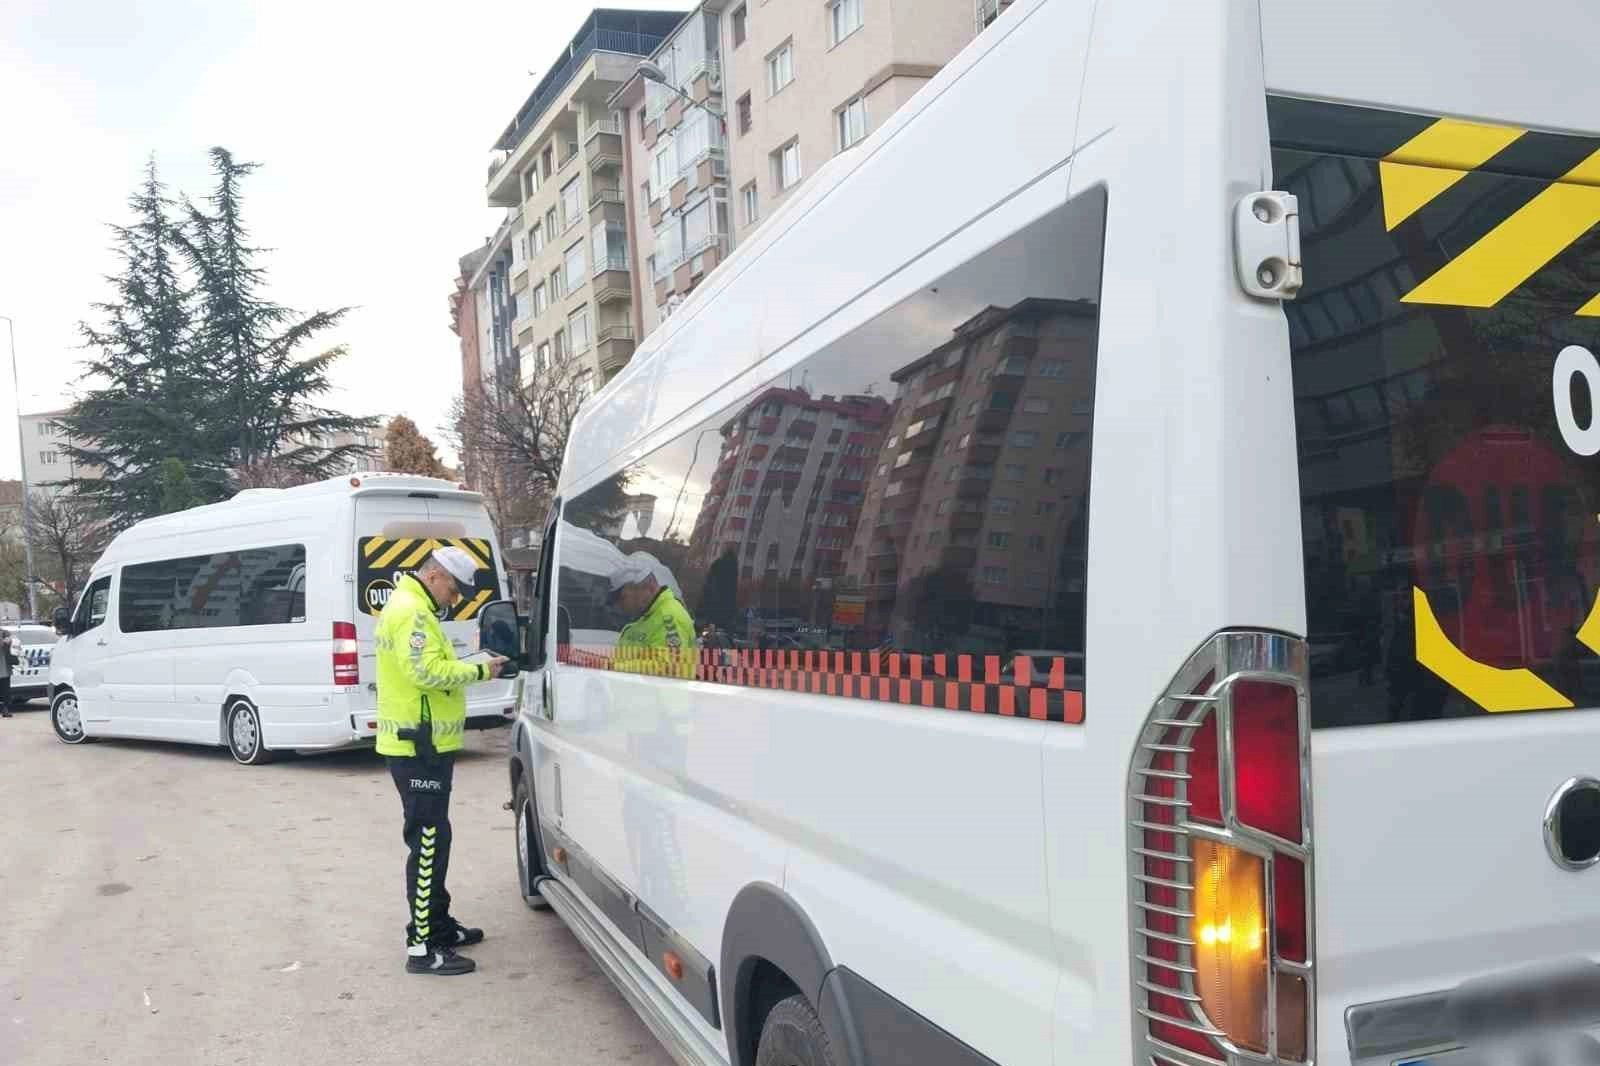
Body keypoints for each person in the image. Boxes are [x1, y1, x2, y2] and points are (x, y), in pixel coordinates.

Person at [375, 546, 507, 976]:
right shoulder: (413, 612)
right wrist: (482, 671)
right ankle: (421, 947)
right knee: (428, 841)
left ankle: (439, 925)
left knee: (436, 836)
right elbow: (426, 673)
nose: (455, 598)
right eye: (453, 588)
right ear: (435, 576)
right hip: (419, 746)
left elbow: (431, 665)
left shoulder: (413, 606)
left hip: (423, 742)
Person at [609, 554, 697, 679]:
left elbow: (666, 666)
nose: (620, 605)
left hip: (660, 698)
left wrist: (612, 667)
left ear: (646, 588)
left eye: (623, 598)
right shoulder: (648, 616)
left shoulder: (670, 618)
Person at [0, 628, 14, 718]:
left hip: (4, 668)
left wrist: (7, 640)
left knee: (5, 690)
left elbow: (12, 639)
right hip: (3, 668)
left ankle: (5, 709)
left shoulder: (4, 632)